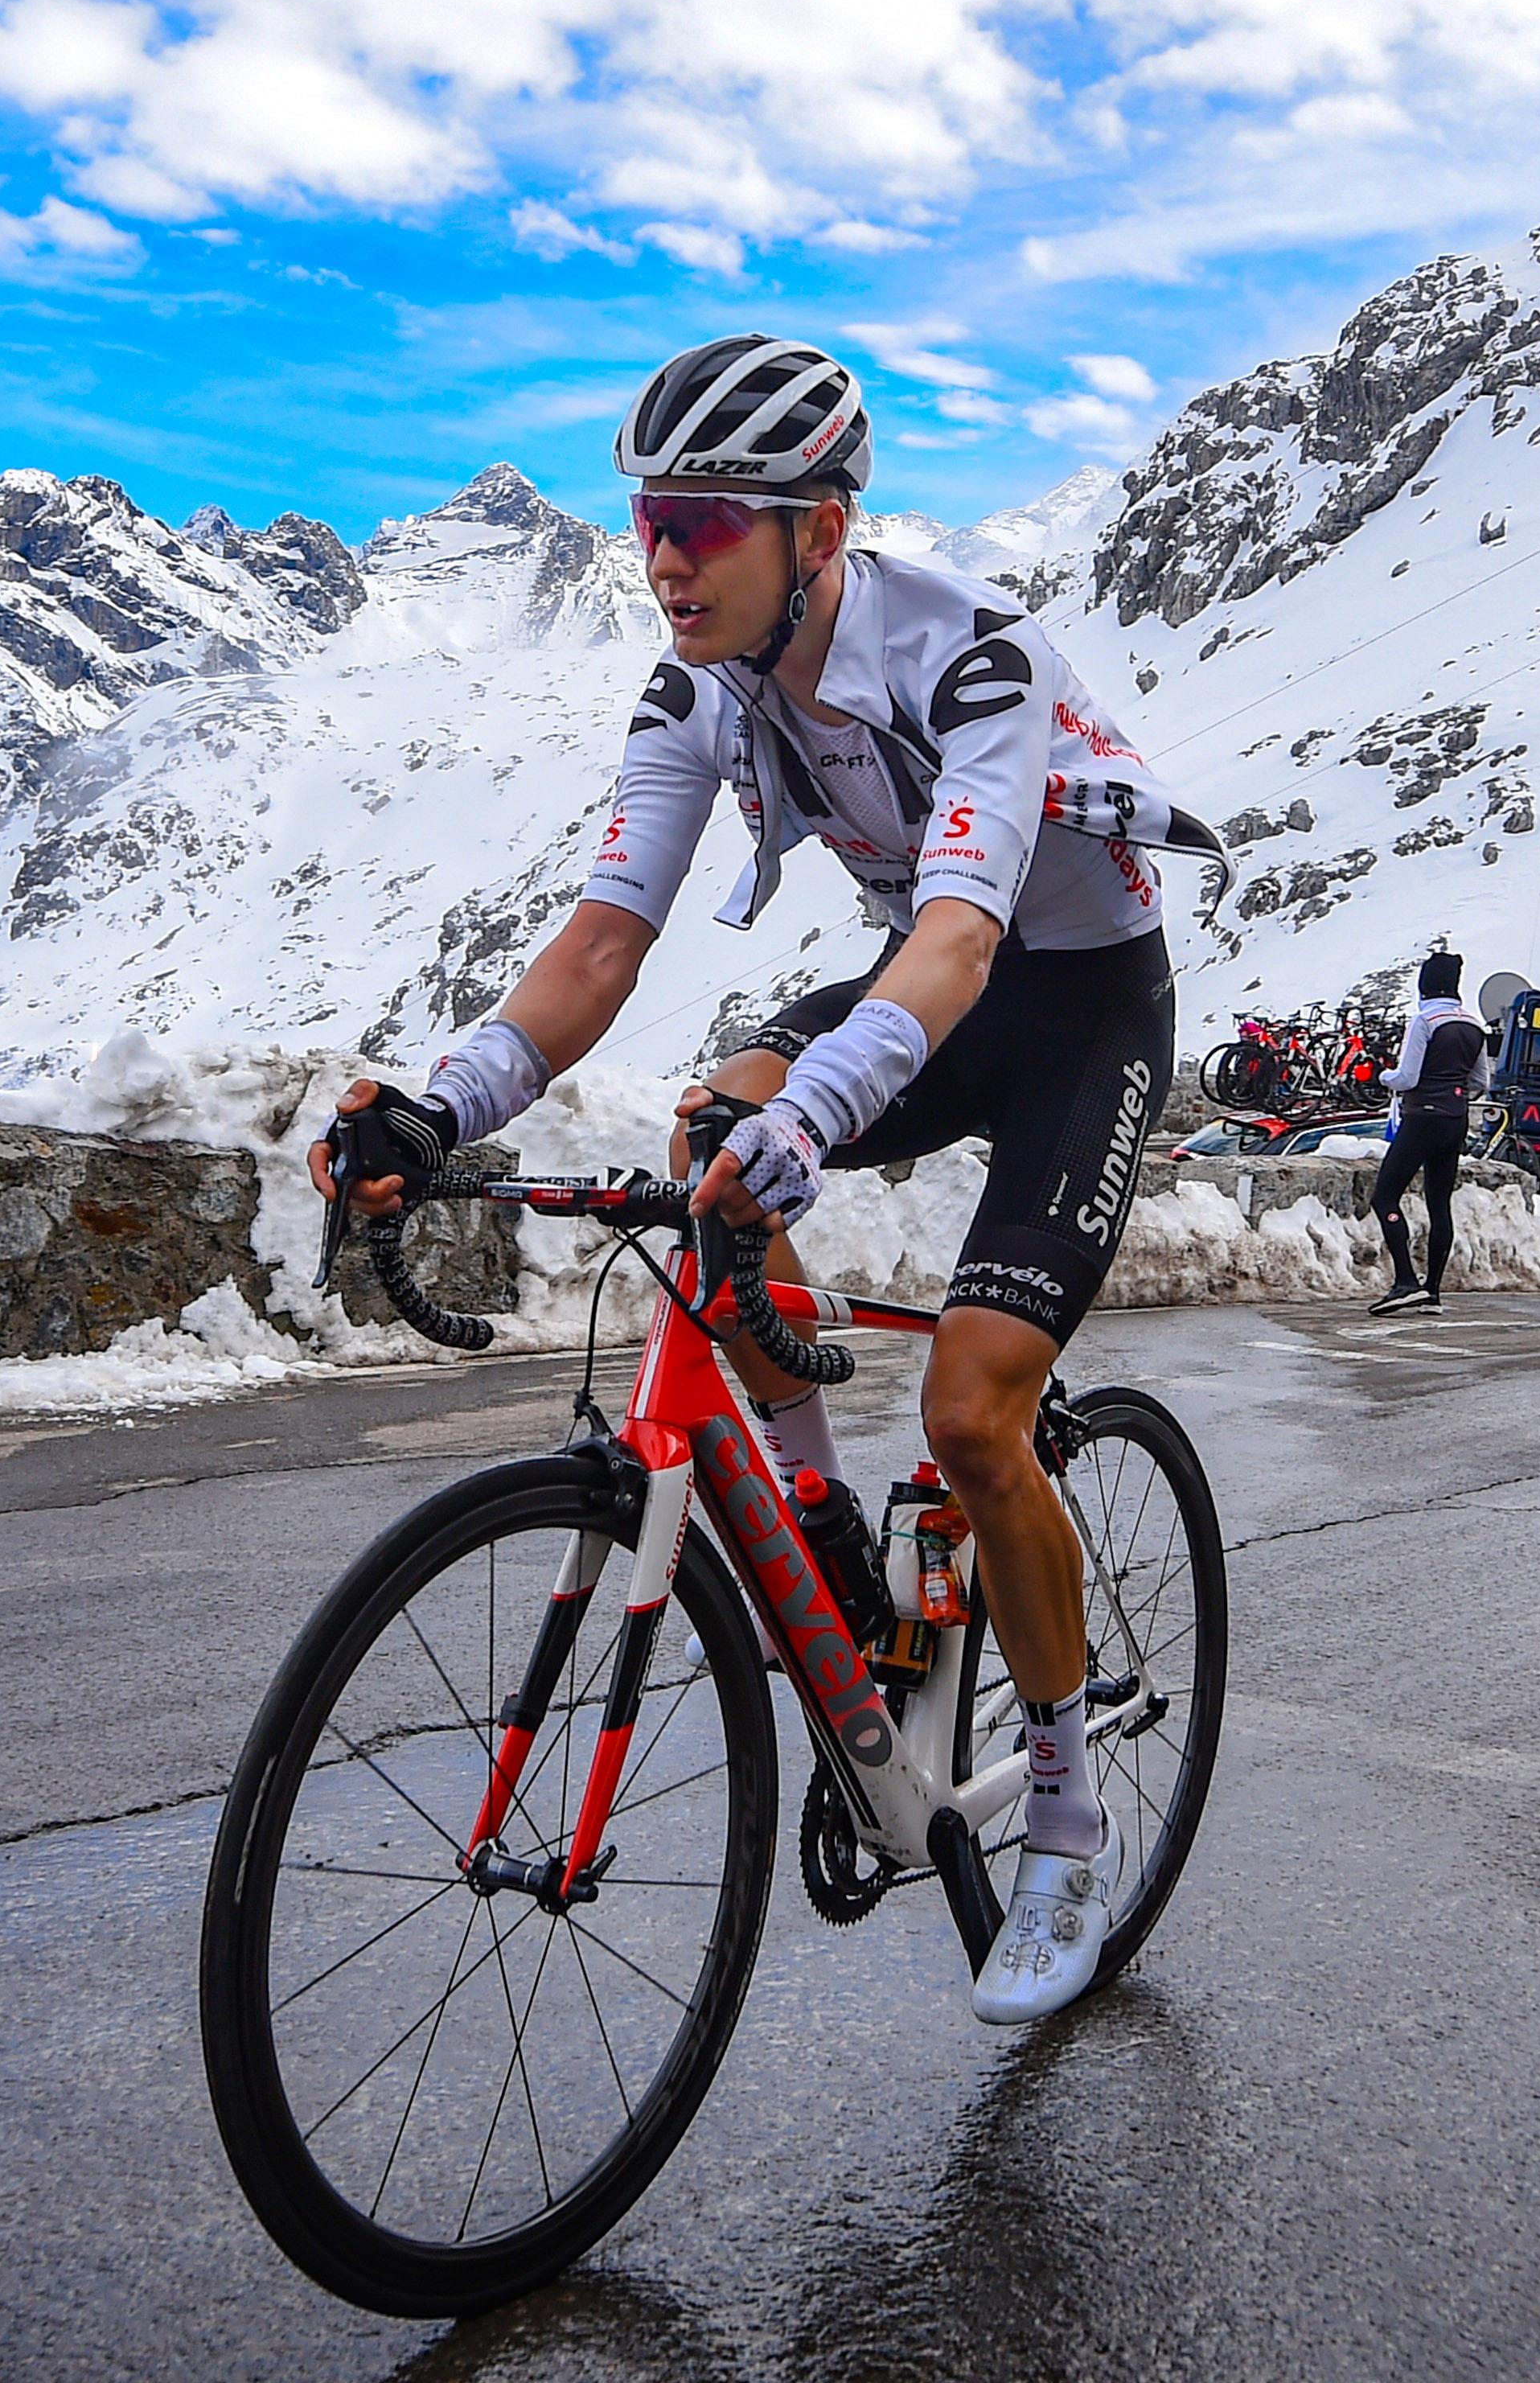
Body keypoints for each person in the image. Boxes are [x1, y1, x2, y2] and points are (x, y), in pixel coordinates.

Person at [306, 333, 1189, 2028]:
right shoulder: (694, 687)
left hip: (1072, 1009)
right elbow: (602, 941)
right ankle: (821, 1527)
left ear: (820, 532)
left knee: (974, 1417)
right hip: (927, 989)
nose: (663, 558)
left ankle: (1067, 1822)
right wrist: (442, 1105)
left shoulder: (976, 660)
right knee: (709, 1128)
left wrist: (821, 1106)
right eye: (649, 519)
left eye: (705, 521)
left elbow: (956, 938)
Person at [1367, 951, 1485, 1313]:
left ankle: (1405, 1280)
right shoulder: (1474, 1025)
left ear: (1425, 985)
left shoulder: (1425, 1021)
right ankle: (1432, 1291)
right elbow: (1480, 1082)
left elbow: (1408, 1078)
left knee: (1385, 1199)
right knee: (1439, 1203)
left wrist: (1383, 1076)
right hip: (1455, 1119)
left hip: (1422, 1118)